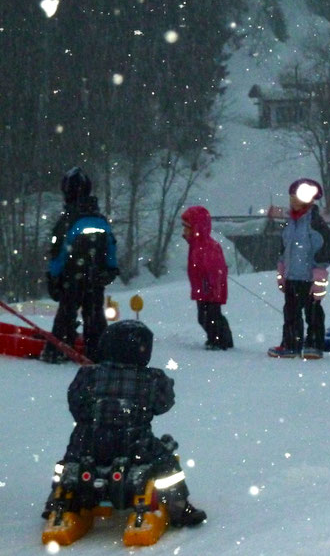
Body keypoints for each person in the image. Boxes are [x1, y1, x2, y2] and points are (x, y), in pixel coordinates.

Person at [42, 320, 206, 528]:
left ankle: (57, 500)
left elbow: (76, 404)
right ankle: (179, 508)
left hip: (87, 443)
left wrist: (94, 419)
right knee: (167, 465)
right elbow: (164, 404)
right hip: (134, 445)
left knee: (69, 464)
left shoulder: (88, 374)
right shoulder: (151, 378)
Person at [42, 167, 119, 364]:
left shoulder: (68, 220)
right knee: (94, 315)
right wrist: (110, 268)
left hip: (72, 279)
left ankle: (58, 351)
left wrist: (53, 277)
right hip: (96, 278)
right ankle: (97, 352)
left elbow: (58, 254)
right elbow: (111, 246)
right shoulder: (100, 219)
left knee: (66, 315)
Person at [268, 178, 330, 359]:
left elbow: (323, 253)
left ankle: (314, 344)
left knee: (313, 313)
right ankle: (291, 343)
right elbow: (284, 250)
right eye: (291, 197)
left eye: (297, 197)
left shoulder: (316, 224)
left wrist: (319, 279)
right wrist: (282, 273)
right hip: (292, 277)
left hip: (309, 278)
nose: (293, 201)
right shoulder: (289, 223)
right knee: (290, 312)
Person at [181, 205, 233, 350]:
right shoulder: (196, 245)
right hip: (202, 289)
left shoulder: (208, 246)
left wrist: (211, 286)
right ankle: (217, 339)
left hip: (210, 290)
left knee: (211, 317)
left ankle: (219, 340)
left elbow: (215, 270)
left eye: (187, 227)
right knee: (203, 317)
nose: (184, 231)